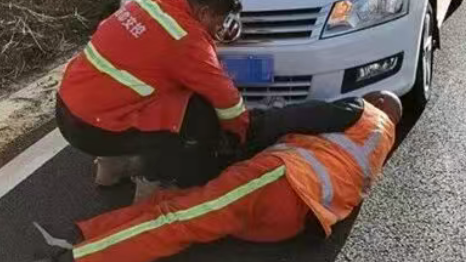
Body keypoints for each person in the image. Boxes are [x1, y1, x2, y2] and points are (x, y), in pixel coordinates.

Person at [38, 91, 401, 262]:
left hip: (278, 179)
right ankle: (90, 232)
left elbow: (300, 116)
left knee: (180, 218)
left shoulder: (364, 111)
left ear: (378, 102)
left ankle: (81, 255)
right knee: (180, 206)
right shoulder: (378, 149)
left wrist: (248, 126)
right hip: (289, 222)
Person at [56, 0, 248, 188]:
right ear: (204, 12)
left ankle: (110, 166)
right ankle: (145, 175)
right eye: (219, 22)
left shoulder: (148, 2)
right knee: (197, 115)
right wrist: (237, 137)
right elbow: (225, 99)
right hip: (93, 128)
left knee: (154, 94)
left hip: (67, 108)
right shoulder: (185, 38)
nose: (219, 29)